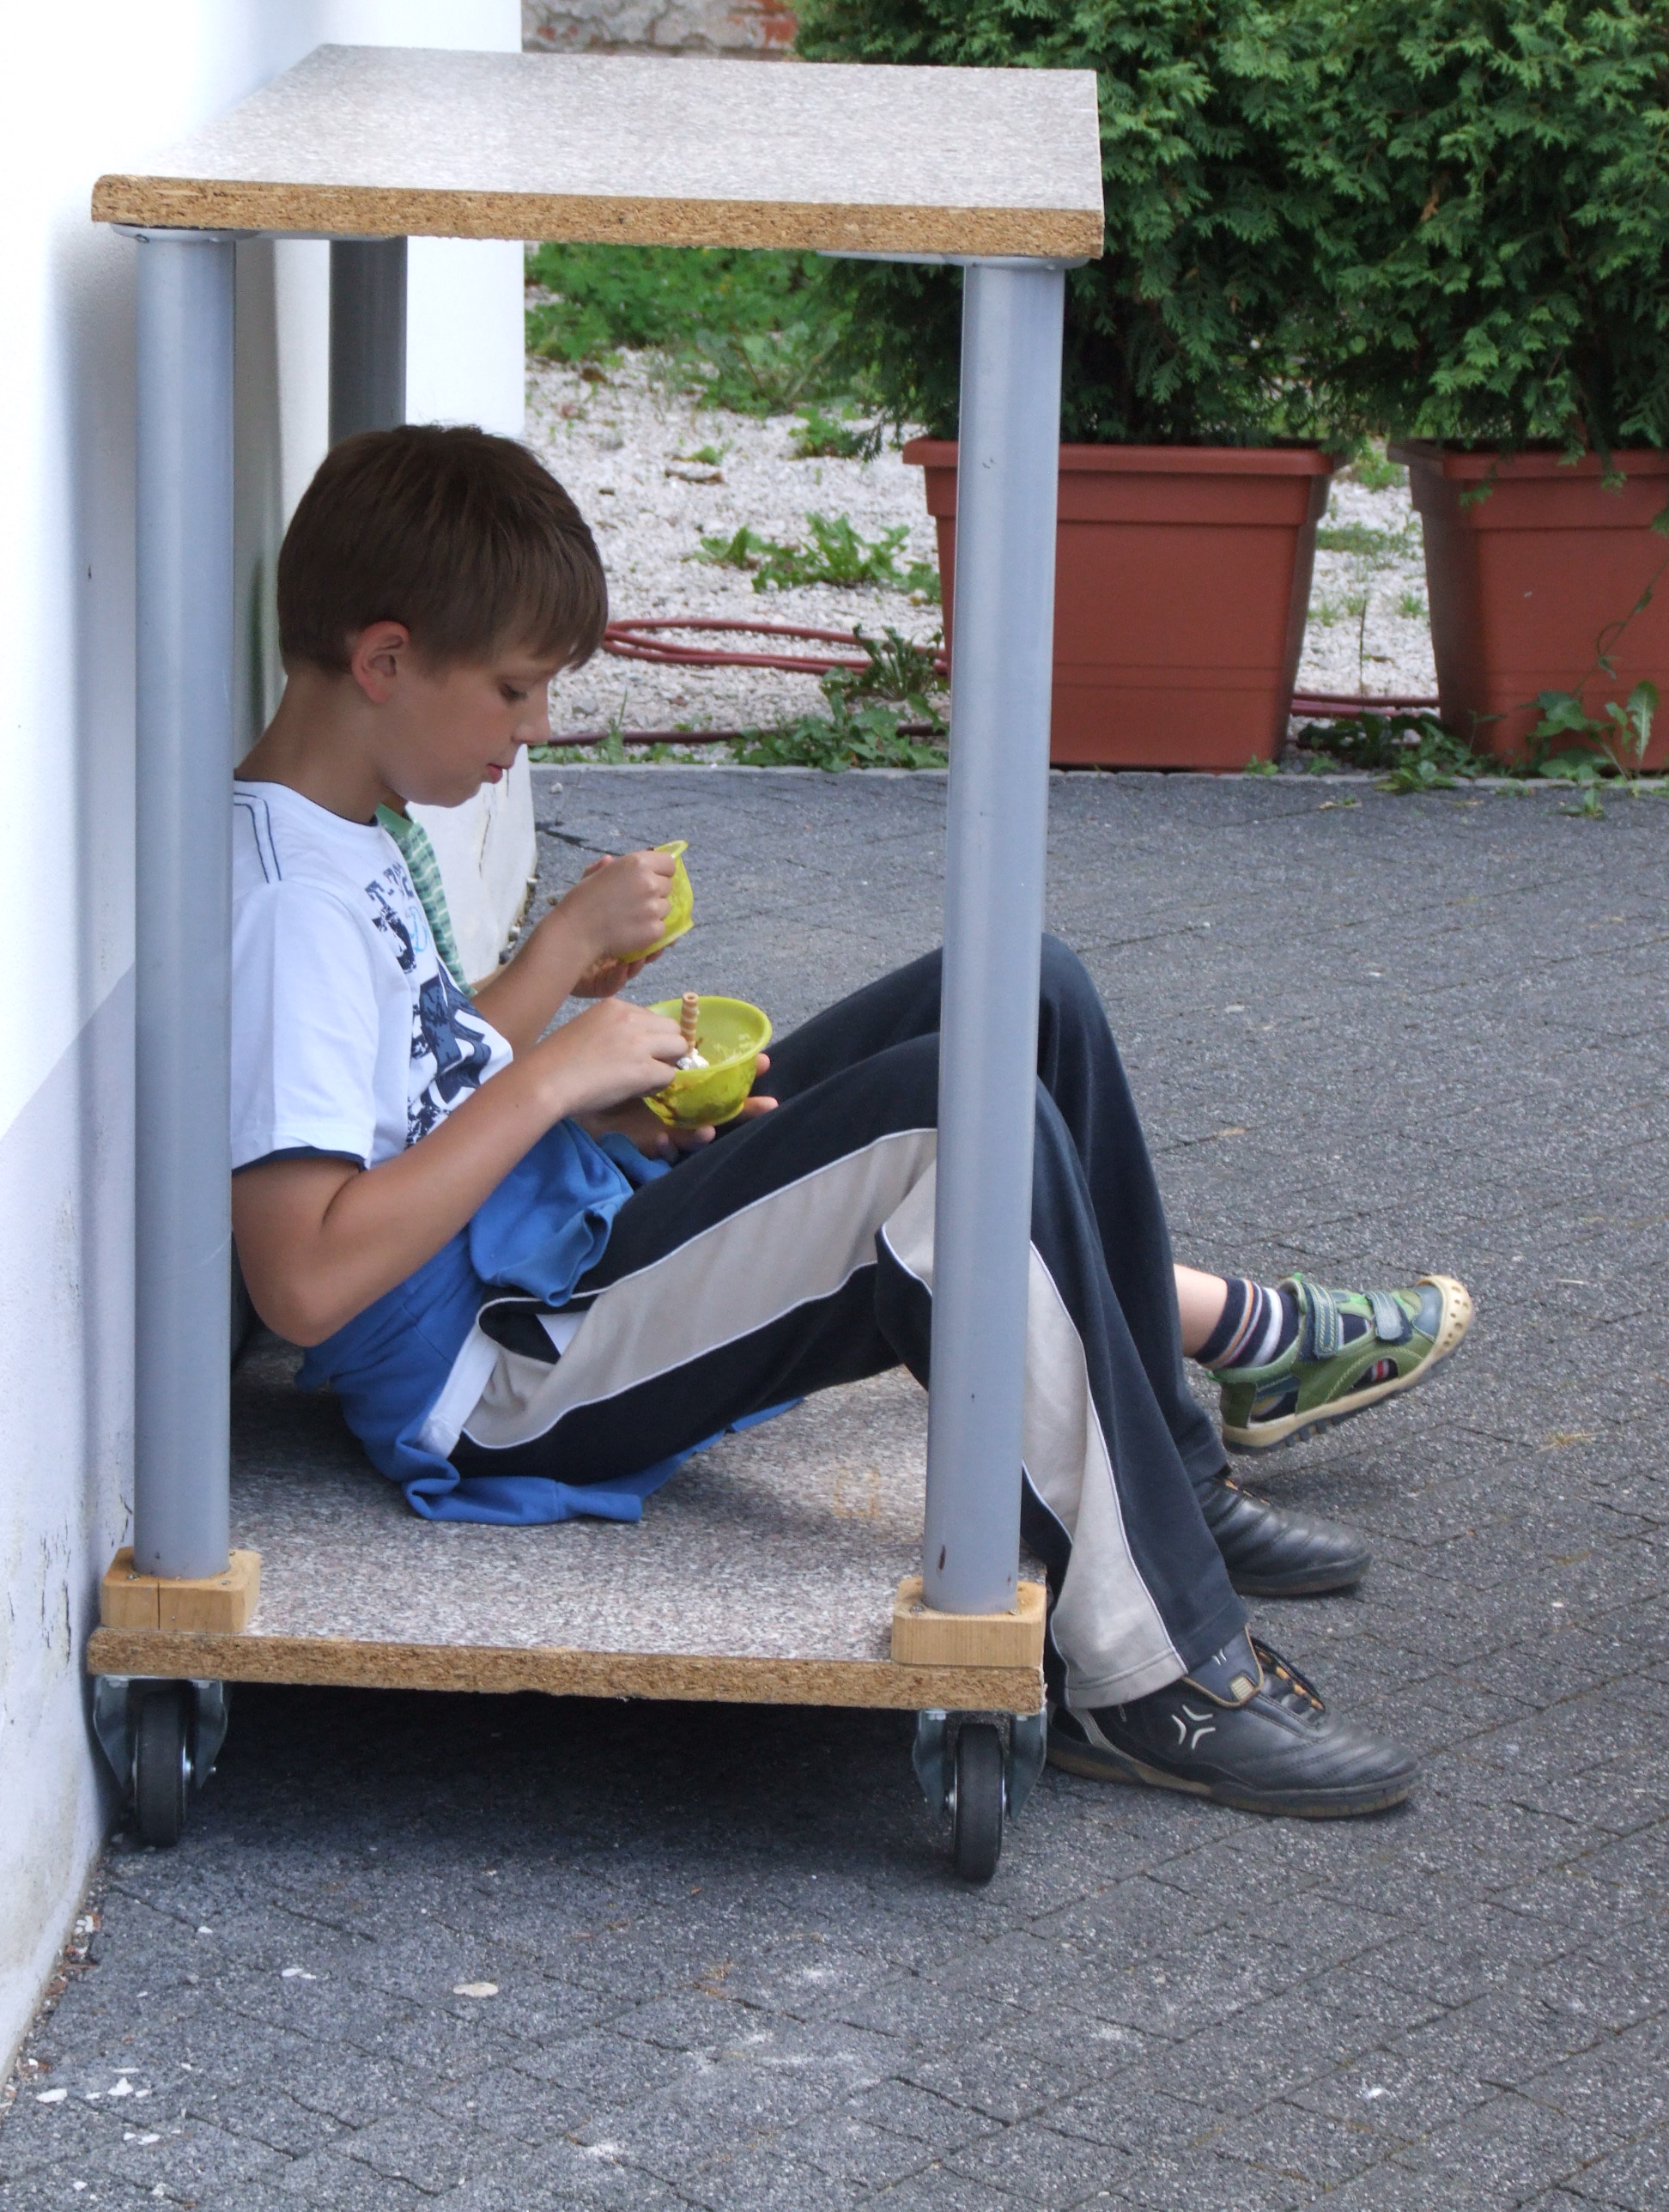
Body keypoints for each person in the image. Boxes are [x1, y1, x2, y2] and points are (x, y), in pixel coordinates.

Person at [231, 425, 1472, 1822]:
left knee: (1021, 994)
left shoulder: (347, 830)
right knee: (945, 1123)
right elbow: (303, 1281)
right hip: (507, 1376)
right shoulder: (290, 912)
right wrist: (551, 1082)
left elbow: (407, 1091)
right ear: (384, 661)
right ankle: (1146, 1675)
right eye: (516, 690)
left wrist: (591, 1100)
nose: (536, 728)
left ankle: (1166, 1493)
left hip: (554, 1246)